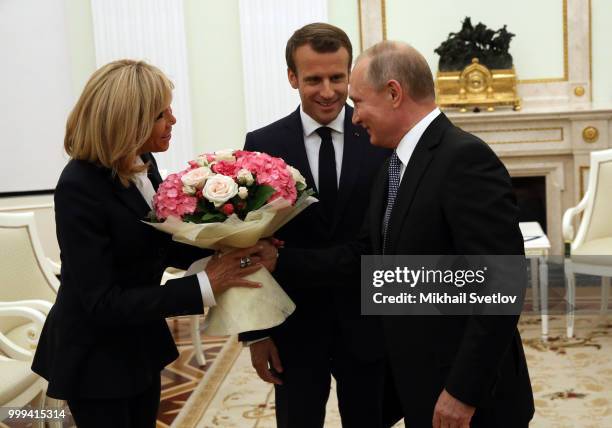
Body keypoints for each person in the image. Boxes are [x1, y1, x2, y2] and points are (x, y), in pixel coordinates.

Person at [31, 59, 270, 428]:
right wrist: (206, 284)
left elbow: (161, 244)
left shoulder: (143, 161)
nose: (173, 120)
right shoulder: (79, 187)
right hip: (97, 360)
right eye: (162, 114)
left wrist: (230, 247)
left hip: (138, 342)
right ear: (129, 122)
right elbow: (102, 302)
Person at [349, 41, 534, 428]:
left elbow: (503, 283)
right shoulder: (391, 168)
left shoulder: (464, 158)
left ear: (394, 93)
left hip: (470, 399)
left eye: (359, 101)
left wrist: (464, 392)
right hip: (420, 386)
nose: (354, 117)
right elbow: (372, 259)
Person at [237, 23, 390, 428]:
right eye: (314, 79)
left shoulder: (381, 138)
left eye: (337, 77)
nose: (328, 91)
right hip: (294, 329)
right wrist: (256, 334)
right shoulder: (262, 144)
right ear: (292, 78)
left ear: (351, 72)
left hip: (369, 325)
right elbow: (246, 247)